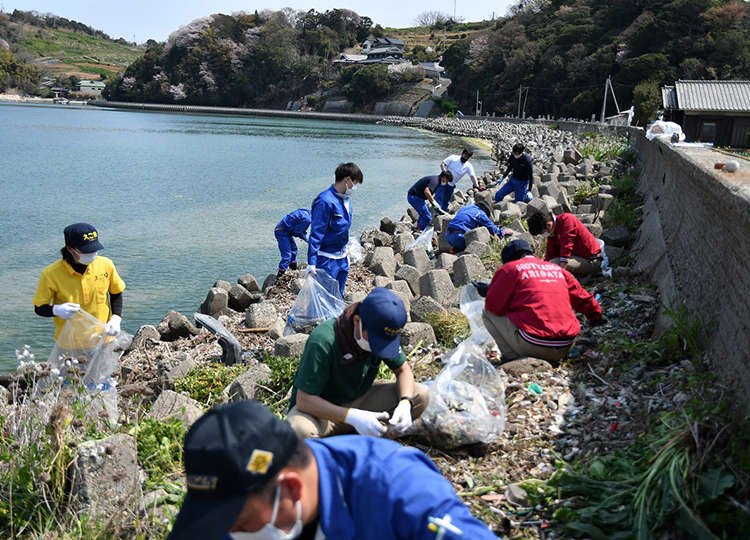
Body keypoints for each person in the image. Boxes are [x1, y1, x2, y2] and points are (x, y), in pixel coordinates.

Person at [167, 400, 499, 540]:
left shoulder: (397, 488)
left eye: (239, 524)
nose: (231, 534)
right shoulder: (240, 503)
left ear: (291, 490)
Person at [286, 287, 429, 439]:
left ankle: (365, 435)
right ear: (357, 322)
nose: (377, 348)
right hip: (321, 413)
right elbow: (304, 401)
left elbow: (403, 371)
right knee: (298, 429)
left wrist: (405, 403)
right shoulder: (324, 340)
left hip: (360, 403)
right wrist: (351, 416)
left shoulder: (381, 334)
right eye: (375, 343)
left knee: (421, 394)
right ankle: (355, 439)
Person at [481, 239, 604, 362]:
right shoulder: (557, 269)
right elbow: (583, 298)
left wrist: (492, 292)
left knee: (487, 313)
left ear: (509, 260)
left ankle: (512, 357)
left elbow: (494, 307)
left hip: (535, 346)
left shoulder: (509, 269)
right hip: (566, 345)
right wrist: (596, 317)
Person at [33, 223, 126, 339]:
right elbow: (39, 308)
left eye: (94, 249)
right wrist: (56, 310)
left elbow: (116, 292)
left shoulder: (106, 264)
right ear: (70, 249)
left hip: (104, 339)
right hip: (69, 343)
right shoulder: (51, 274)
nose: (91, 254)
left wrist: (116, 318)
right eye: (86, 251)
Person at [306, 163, 363, 297]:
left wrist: (349, 250)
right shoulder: (325, 201)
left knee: (338, 295)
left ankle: (336, 317)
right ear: (347, 180)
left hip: (342, 257)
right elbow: (316, 233)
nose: (354, 188)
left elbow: (343, 229)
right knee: (324, 297)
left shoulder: (346, 201)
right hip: (326, 259)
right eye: (355, 184)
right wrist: (311, 262)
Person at [527, 212, 603, 277]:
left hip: (592, 261)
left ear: (548, 225)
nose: (542, 235)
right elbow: (550, 254)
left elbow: (566, 246)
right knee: (547, 265)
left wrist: (560, 273)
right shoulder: (552, 233)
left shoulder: (567, 220)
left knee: (553, 264)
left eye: (541, 233)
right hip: (576, 258)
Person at [445, 200, 512, 253]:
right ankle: (460, 247)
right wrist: (501, 233)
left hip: (447, 236)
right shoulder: (480, 213)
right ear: (484, 210)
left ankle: (457, 249)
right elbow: (490, 226)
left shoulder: (465, 207)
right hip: (459, 237)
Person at [275, 209, 312, 277]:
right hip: (281, 231)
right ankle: (279, 277)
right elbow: (297, 232)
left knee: (294, 250)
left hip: (287, 231)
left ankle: (293, 272)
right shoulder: (307, 219)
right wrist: (306, 239)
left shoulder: (307, 212)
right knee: (287, 256)